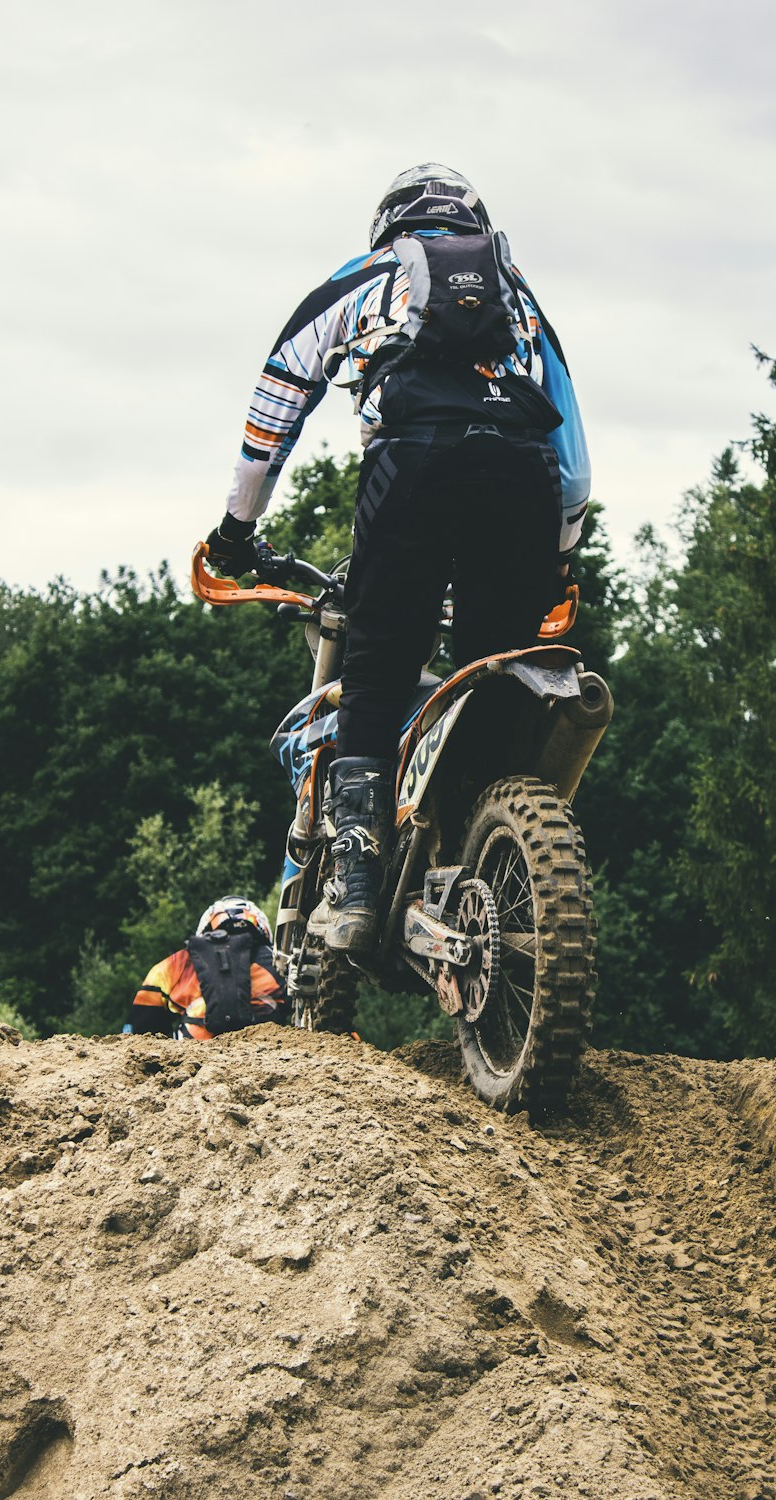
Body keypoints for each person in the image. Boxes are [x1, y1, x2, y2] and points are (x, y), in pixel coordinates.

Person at [206, 164, 591, 955]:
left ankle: (355, 886)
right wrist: (558, 558)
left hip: (412, 466)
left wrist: (237, 529)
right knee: (492, 667)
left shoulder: (371, 275)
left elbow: (283, 385)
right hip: (523, 477)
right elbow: (571, 444)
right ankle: (485, 853)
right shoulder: (519, 295)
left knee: (380, 665)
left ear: (391, 225)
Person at [129, 896, 288, 1040]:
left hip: (193, 1058)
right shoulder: (279, 961)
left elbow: (142, 1023)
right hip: (265, 1052)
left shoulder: (180, 962)